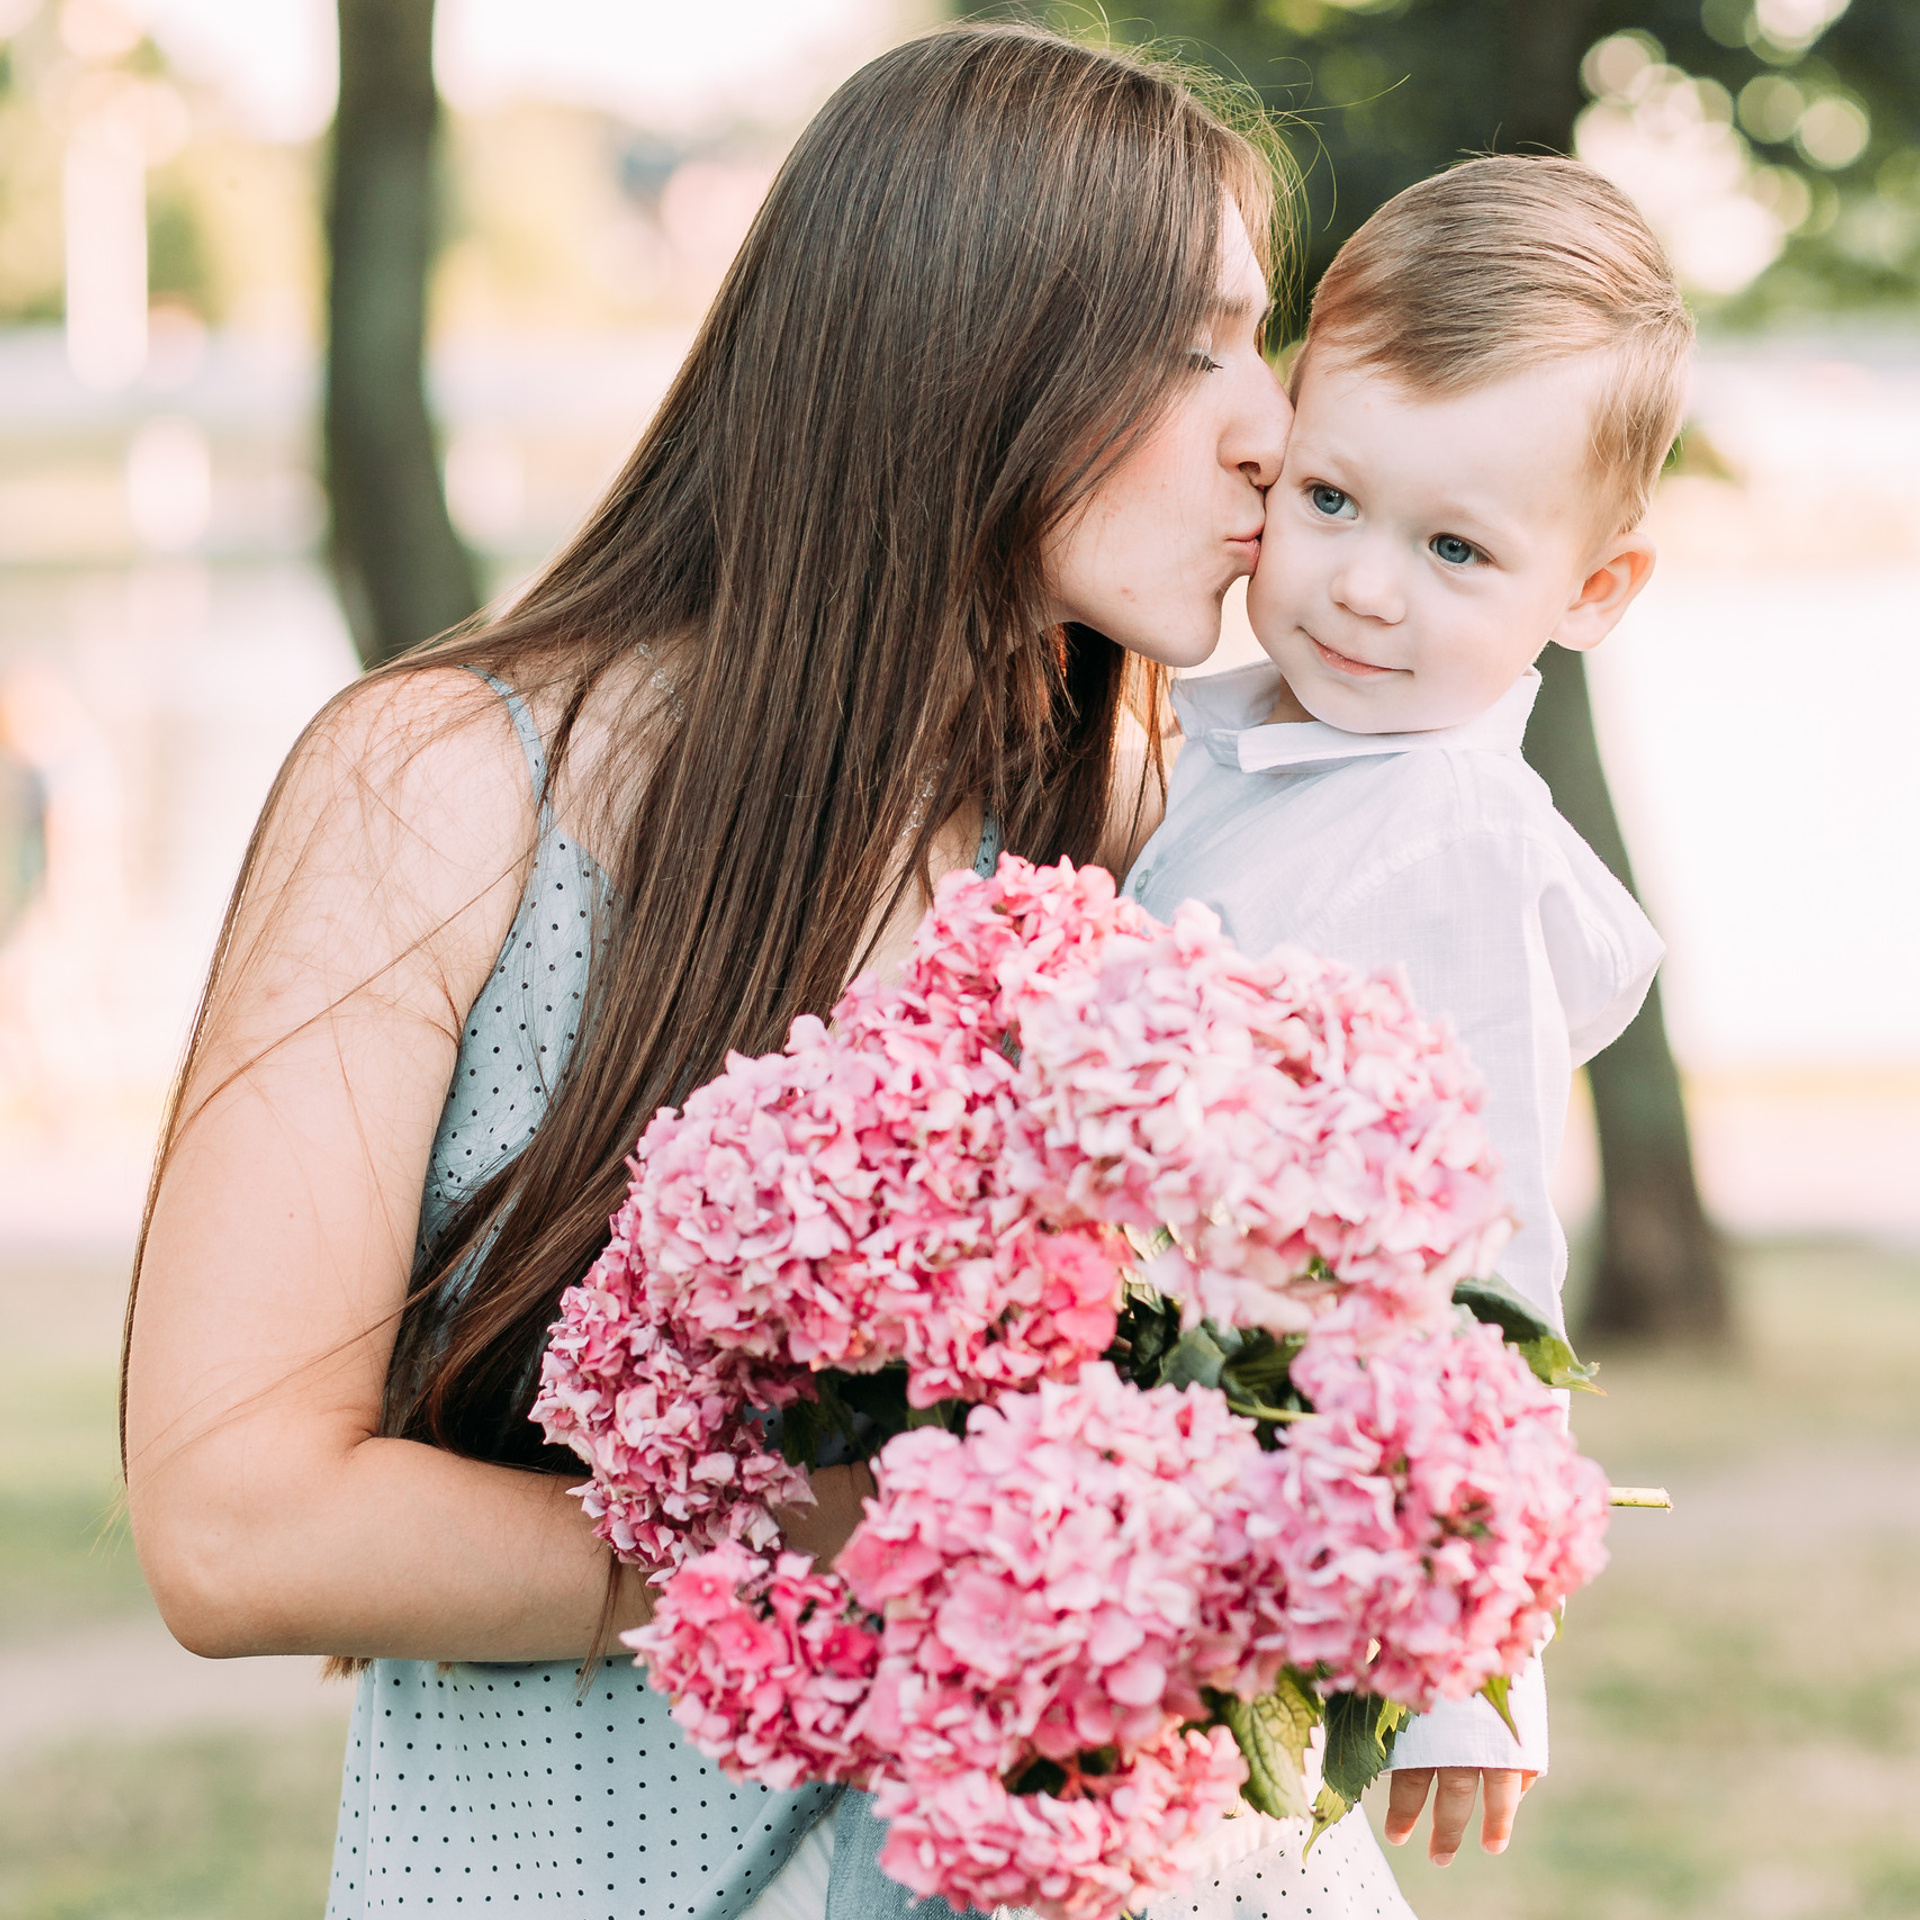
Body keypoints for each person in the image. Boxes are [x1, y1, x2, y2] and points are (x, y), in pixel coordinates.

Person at [120, 24, 1427, 1920]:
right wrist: (856, 1547)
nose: (1272, 424)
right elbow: (235, 1522)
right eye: (1197, 343)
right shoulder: (447, 783)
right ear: (967, 350)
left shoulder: (1142, 819)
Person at [1124, 153, 1684, 1890]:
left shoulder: (1443, 833)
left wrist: (1468, 1657)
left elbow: (1494, 1246)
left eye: (1457, 549)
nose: (1369, 588)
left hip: (1273, 1475)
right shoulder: (1238, 748)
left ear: (1589, 597)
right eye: (1333, 500)